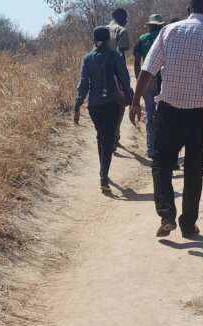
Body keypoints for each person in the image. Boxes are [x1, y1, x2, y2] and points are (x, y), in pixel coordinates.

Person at [129, 0, 203, 238]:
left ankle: (167, 216)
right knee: (194, 169)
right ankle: (188, 225)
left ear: (188, 10)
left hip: (170, 113)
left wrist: (135, 101)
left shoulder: (170, 31)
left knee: (161, 164)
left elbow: (147, 69)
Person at [74, 26, 133, 193]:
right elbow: (124, 79)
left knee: (101, 137)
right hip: (111, 103)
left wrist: (77, 105)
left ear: (94, 39)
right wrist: (132, 98)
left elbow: (83, 84)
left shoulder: (87, 58)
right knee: (107, 140)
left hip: (94, 105)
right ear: (108, 39)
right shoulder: (115, 56)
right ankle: (103, 175)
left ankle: (103, 173)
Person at [133, 14, 165, 158]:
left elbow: (136, 61)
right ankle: (161, 146)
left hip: (146, 76)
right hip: (163, 76)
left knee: (149, 113)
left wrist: (139, 78)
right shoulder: (165, 36)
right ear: (160, 25)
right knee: (162, 113)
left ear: (150, 25)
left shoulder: (142, 39)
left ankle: (150, 147)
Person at [107, 8, 131, 146]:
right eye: (125, 17)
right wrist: (124, 79)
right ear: (120, 17)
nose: (126, 21)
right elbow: (121, 54)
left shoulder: (102, 30)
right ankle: (115, 134)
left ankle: (107, 134)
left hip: (102, 72)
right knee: (121, 104)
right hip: (116, 72)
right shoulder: (121, 31)